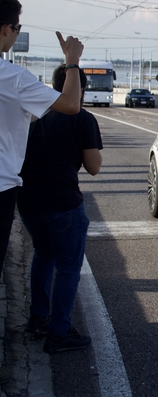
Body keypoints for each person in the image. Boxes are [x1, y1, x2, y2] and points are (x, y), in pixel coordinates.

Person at [18, 64, 103, 354]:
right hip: (63, 203)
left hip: (28, 200)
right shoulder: (83, 119)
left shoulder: (34, 114)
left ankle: (38, 319)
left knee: (43, 255)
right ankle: (59, 331)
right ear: (81, 89)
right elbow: (93, 167)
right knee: (68, 268)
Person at [0, 0, 84, 279]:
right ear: (6, 29)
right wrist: (72, 61)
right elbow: (71, 104)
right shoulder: (13, 77)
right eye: (18, 28)